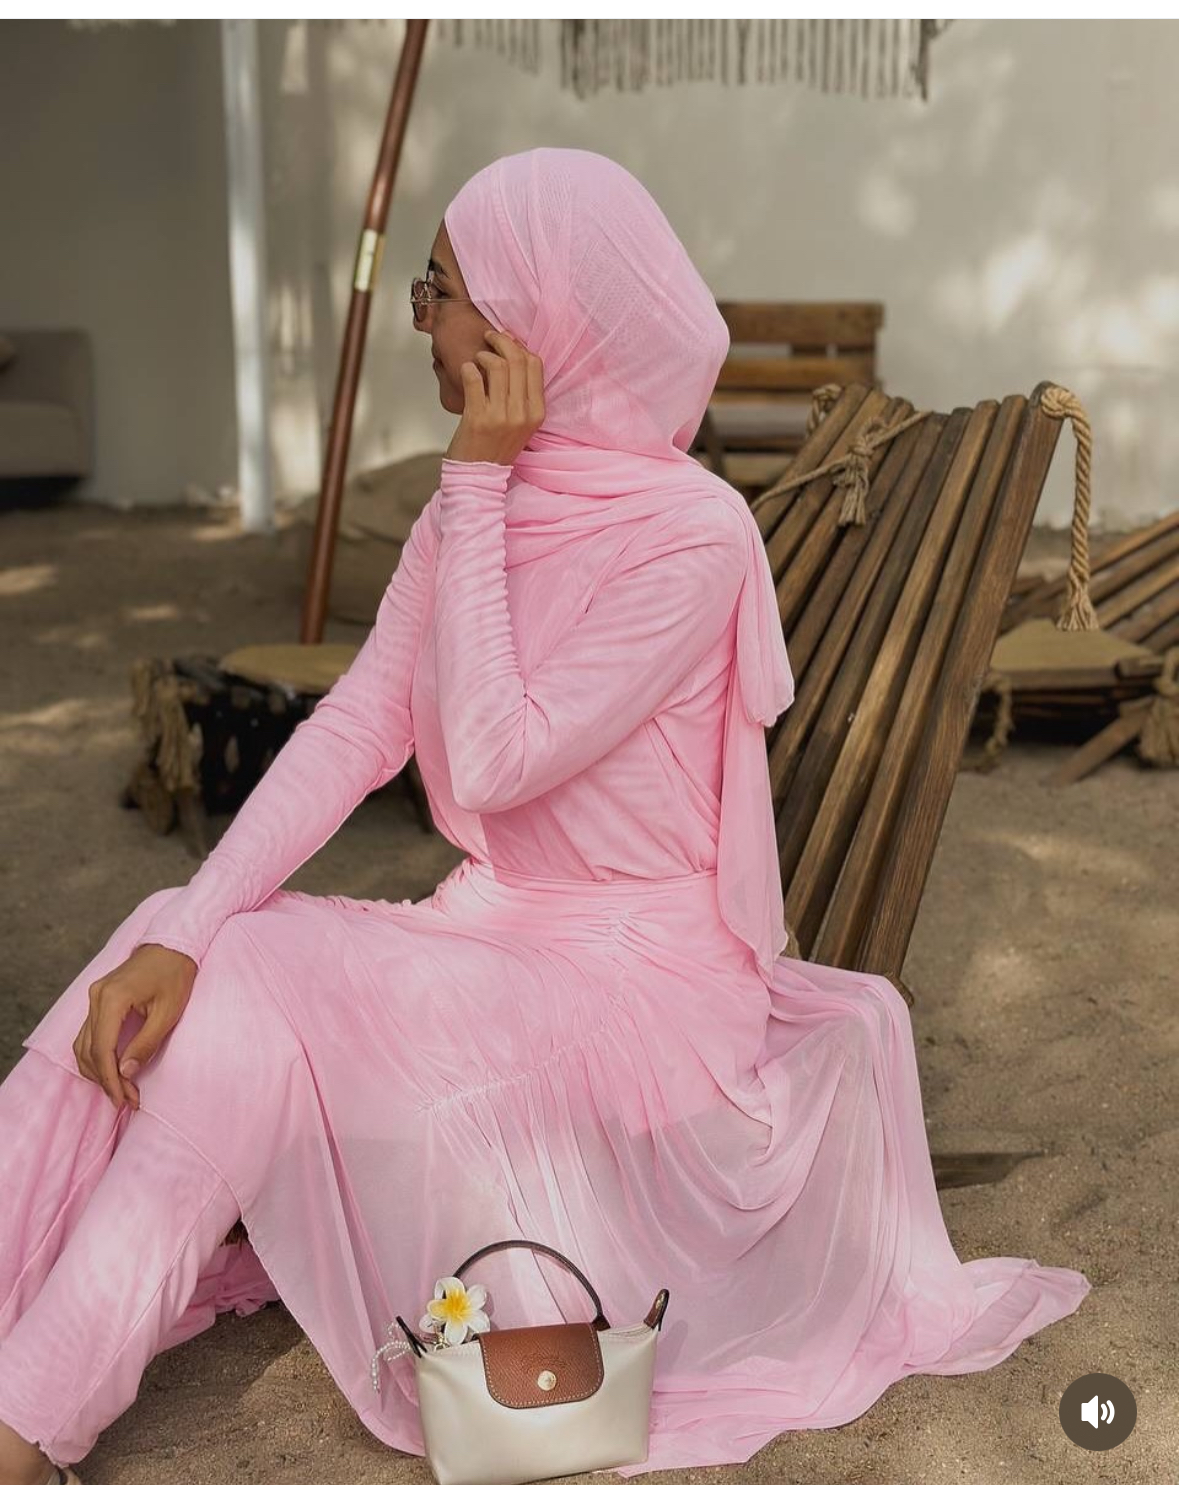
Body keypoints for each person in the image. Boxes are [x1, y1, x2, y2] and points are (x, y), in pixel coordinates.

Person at [0, 147, 1091, 1485]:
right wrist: (191, 926)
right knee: (173, 932)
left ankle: (26, 1424)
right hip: (492, 937)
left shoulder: (688, 537)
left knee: (253, 967)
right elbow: (357, 726)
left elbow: (497, 756)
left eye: (443, 293)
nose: (426, 324)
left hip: (640, 987)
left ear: (534, 320)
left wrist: (475, 482)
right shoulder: (479, 505)